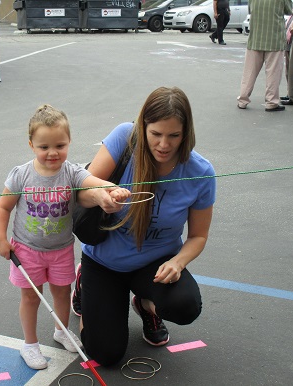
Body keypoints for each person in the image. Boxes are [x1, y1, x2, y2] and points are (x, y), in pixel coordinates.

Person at [71, 87, 216, 367]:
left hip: (154, 263)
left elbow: (198, 236)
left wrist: (178, 262)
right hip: (104, 259)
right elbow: (79, 190)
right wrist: (101, 194)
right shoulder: (125, 138)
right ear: (143, 126)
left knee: (185, 305)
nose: (164, 144)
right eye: (156, 134)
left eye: (174, 136)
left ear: (186, 133)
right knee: (105, 353)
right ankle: (85, 285)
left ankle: (146, 304)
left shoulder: (201, 172)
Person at [0, 105, 130, 370]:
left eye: (60, 145)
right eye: (44, 147)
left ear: (69, 142)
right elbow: (3, 207)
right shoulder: (21, 174)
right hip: (27, 250)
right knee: (31, 297)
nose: (52, 152)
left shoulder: (71, 172)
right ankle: (30, 345)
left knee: (61, 292)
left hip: (60, 250)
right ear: (31, 144)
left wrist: (113, 189)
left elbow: (92, 180)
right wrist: (1, 238)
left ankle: (61, 331)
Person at [237, 0, 293, 112]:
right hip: (274, 40)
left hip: (255, 38)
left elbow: (250, 10)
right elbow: (289, 10)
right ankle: (271, 102)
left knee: (249, 73)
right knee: (273, 73)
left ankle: (243, 100)